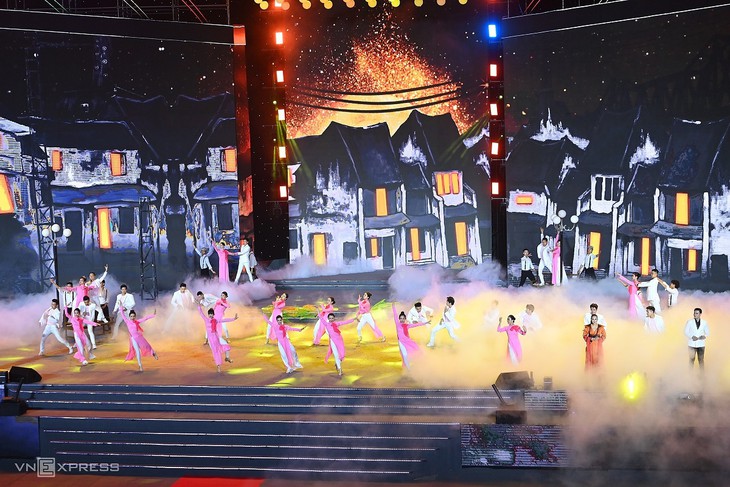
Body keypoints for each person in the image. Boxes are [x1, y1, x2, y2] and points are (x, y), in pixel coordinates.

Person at [198, 305, 238, 372]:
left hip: (217, 338)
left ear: (213, 314)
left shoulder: (215, 320)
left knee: (227, 346)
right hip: (211, 340)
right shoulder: (206, 320)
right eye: (209, 314)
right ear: (208, 314)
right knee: (216, 352)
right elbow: (201, 313)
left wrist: (233, 319)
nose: (210, 315)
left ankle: (227, 357)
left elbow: (224, 320)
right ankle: (218, 366)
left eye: (211, 314)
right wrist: (199, 305)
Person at [119, 307, 158, 372]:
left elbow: (145, 318)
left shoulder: (137, 322)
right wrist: (121, 307)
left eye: (133, 316)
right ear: (129, 317)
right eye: (131, 316)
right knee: (137, 351)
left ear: (135, 316)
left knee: (147, 346)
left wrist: (153, 315)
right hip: (133, 339)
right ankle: (140, 365)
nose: (132, 317)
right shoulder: (127, 321)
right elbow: (122, 314)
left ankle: (153, 353)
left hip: (139, 337)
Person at [393, 304, 428, 370]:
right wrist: (393, 306)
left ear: (405, 319)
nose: (402, 320)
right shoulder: (397, 324)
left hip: (407, 341)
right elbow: (395, 315)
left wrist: (425, 323)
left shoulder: (407, 325)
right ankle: (408, 369)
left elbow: (417, 325)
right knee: (404, 355)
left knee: (413, 352)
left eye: (403, 318)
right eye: (401, 318)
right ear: (399, 319)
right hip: (401, 342)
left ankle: (412, 365)